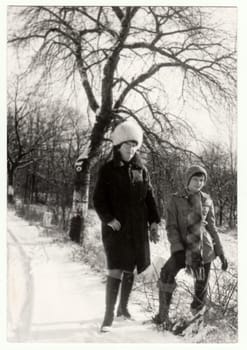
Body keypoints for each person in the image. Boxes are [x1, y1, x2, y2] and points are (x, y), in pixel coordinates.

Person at [93, 118, 160, 332]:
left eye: (134, 146)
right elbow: (98, 199)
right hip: (116, 228)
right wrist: (109, 219)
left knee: (130, 269)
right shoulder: (107, 170)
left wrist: (154, 222)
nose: (131, 150)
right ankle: (108, 316)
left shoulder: (141, 170)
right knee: (115, 269)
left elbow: (149, 198)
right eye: (126, 145)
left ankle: (123, 309)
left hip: (137, 229)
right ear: (118, 146)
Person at [153, 165, 228, 328]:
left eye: (202, 180)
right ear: (187, 180)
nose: (199, 183)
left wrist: (221, 253)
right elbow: (171, 227)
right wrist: (178, 248)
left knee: (201, 288)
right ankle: (162, 316)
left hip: (204, 250)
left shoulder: (207, 200)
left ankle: (196, 324)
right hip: (182, 248)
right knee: (166, 274)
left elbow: (212, 228)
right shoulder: (175, 199)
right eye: (195, 179)